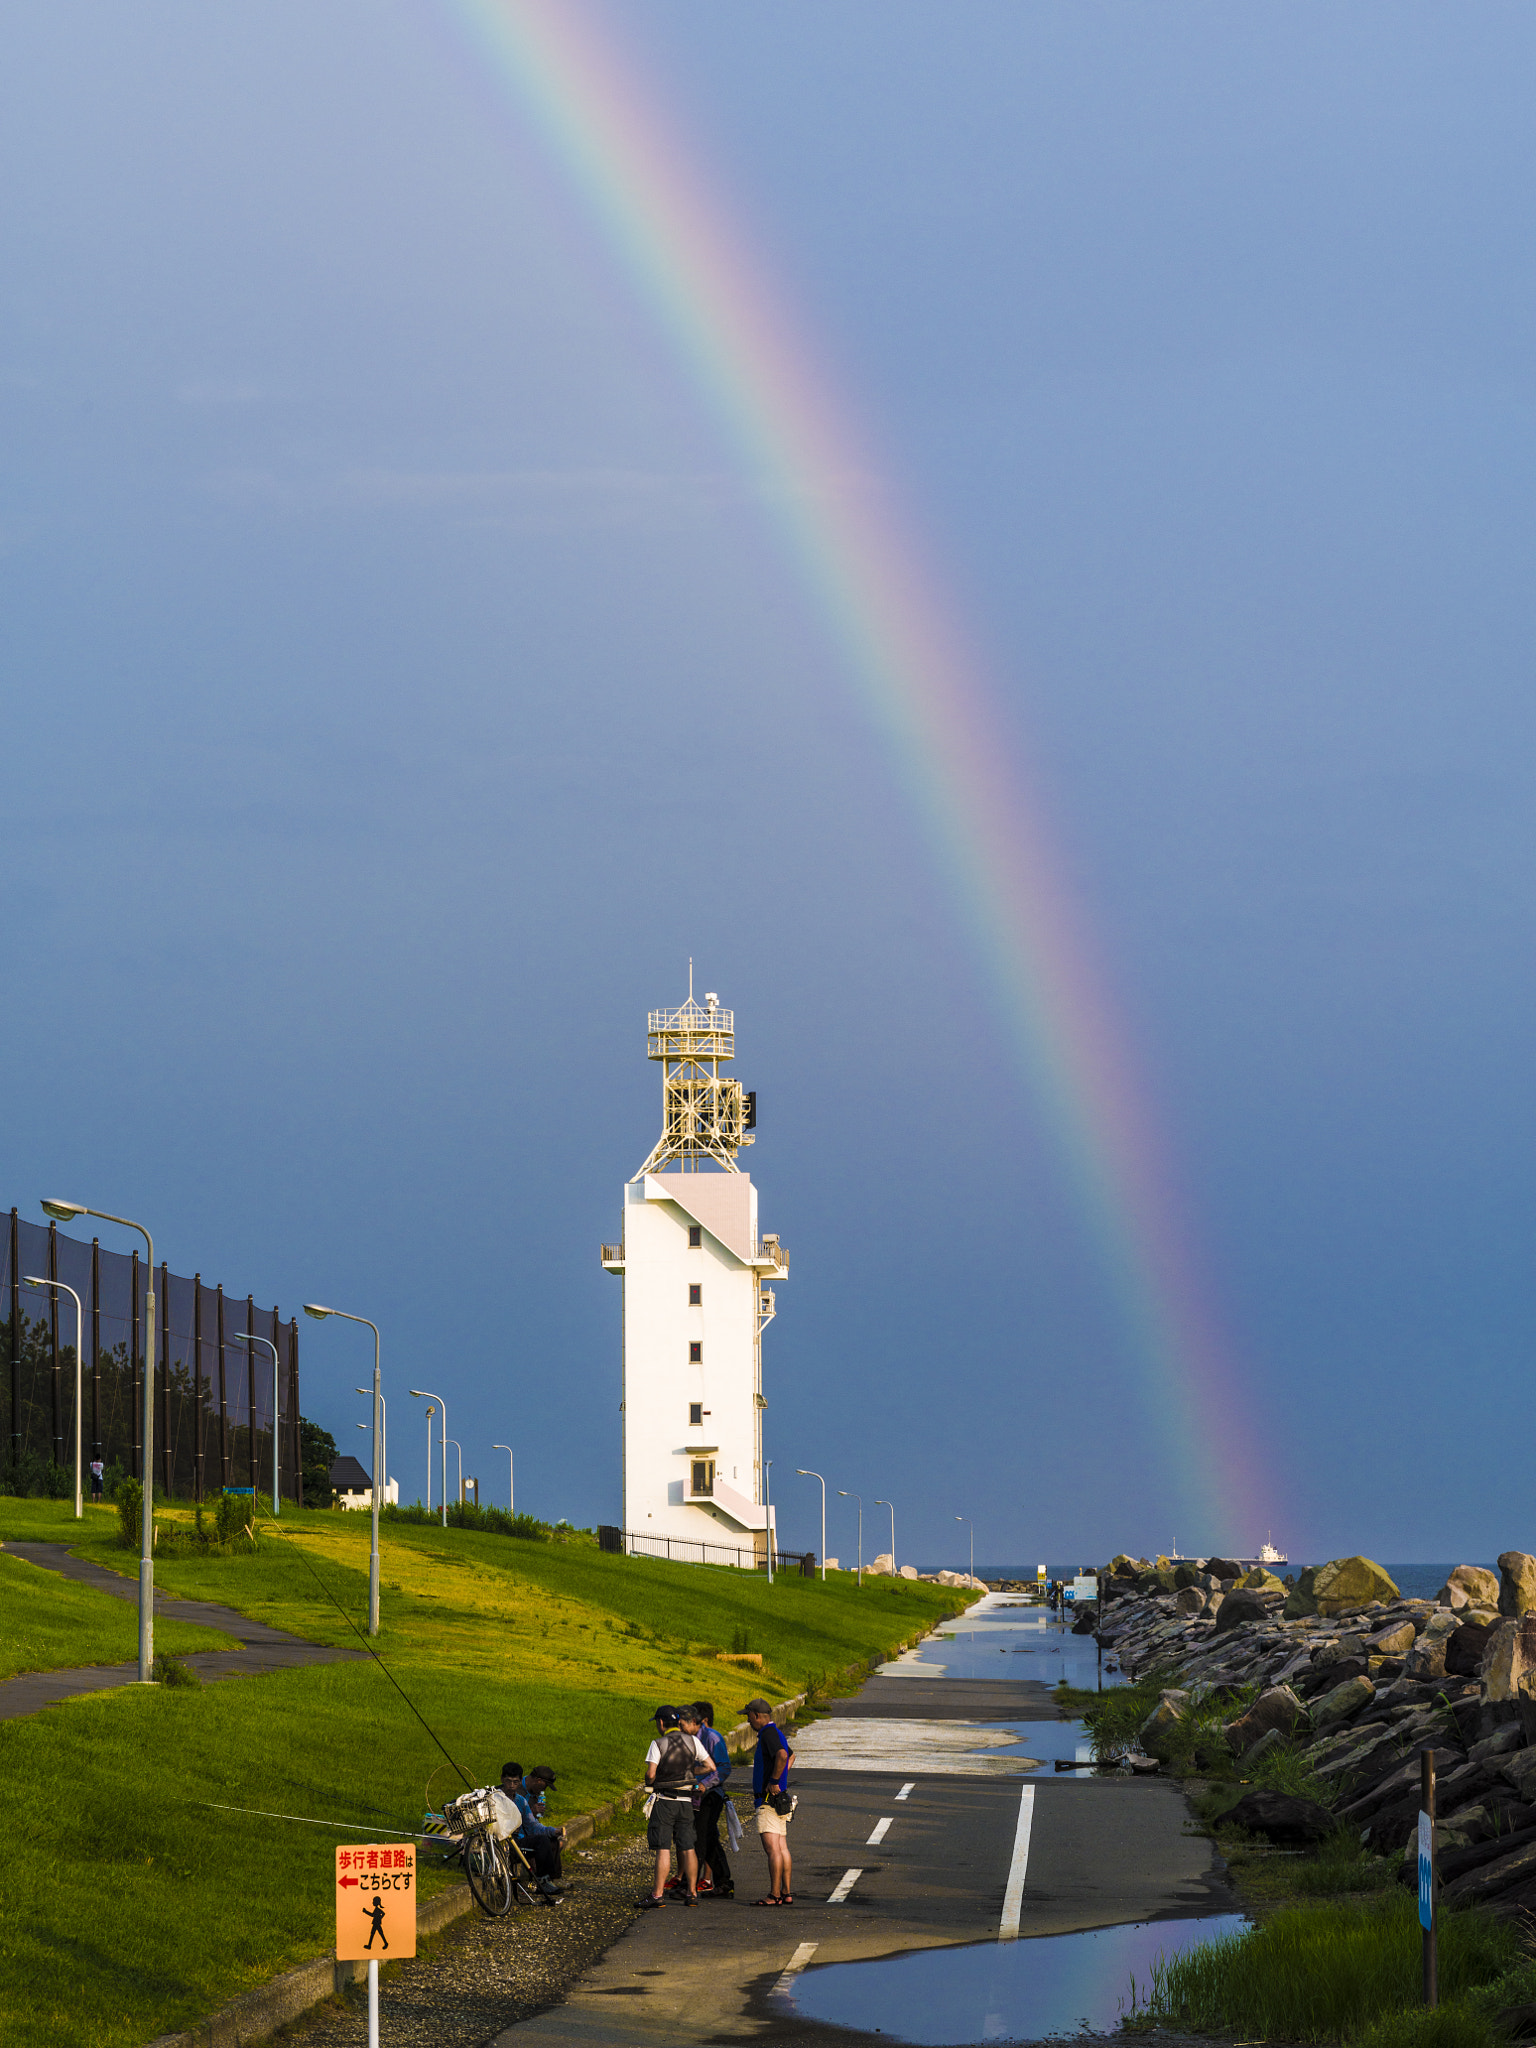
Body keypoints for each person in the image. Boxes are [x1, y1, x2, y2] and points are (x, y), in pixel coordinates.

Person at [641, 1705, 712, 1908]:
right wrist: (690, 1773)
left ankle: (657, 1895)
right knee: (688, 1847)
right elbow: (710, 1766)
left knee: (663, 1847)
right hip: (687, 1802)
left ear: (661, 1723)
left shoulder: (658, 1743)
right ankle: (691, 1893)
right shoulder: (693, 1741)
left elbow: (651, 1774)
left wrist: (649, 1782)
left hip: (665, 1800)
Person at [745, 1698, 794, 1906]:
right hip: (779, 1799)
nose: (748, 1722)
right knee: (782, 1847)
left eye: (749, 1717)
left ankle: (774, 1895)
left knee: (772, 1849)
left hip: (768, 1801)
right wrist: (781, 1777)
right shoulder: (778, 1733)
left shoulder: (768, 1733)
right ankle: (785, 1892)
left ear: (757, 1716)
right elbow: (790, 1756)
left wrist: (774, 1780)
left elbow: (783, 1755)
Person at [500, 1763, 565, 1902]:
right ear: (502, 1780)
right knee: (541, 1841)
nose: (511, 1786)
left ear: (519, 1781)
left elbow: (533, 1825)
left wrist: (553, 1831)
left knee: (545, 1838)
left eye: (515, 1782)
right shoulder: (496, 1798)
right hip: (502, 1842)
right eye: (508, 1782)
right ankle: (543, 1881)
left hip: (518, 1841)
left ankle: (547, 1879)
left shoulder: (520, 1800)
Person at [691, 1700, 734, 1899]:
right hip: (693, 1796)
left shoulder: (713, 1738)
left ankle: (693, 1883)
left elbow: (724, 1768)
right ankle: (723, 1881)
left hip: (710, 1795)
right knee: (707, 1838)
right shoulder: (689, 1738)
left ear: (703, 1720)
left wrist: (705, 1784)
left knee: (703, 1837)